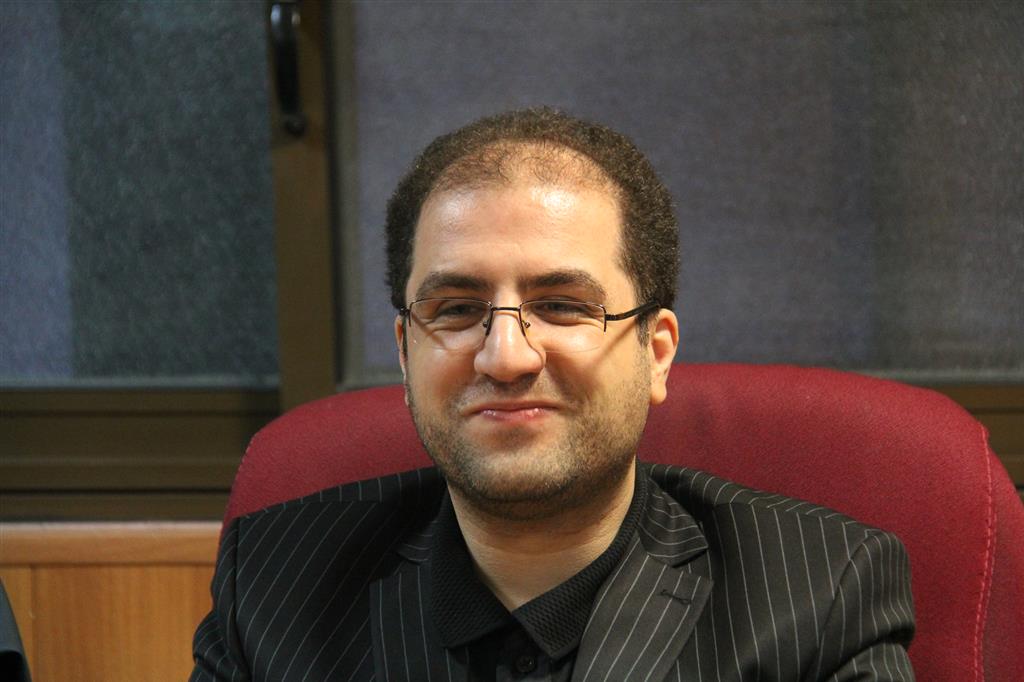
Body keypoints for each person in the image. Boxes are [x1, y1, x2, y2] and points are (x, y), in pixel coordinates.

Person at [191, 108, 914, 681]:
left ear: (656, 352)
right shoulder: (275, 587)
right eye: (456, 310)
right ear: (406, 352)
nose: (505, 356)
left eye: (563, 306)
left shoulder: (820, 593)